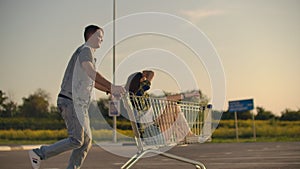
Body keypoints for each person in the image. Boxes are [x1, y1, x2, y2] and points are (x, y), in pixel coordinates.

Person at [28, 25, 125, 169]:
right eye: (99, 36)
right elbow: (91, 72)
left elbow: (91, 79)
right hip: (70, 101)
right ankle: (39, 153)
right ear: (90, 36)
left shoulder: (89, 53)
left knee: (86, 141)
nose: (102, 39)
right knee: (77, 140)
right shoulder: (85, 51)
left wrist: (108, 90)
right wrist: (112, 86)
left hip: (78, 104)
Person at [125, 70, 199, 144]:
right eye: (144, 80)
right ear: (140, 81)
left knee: (174, 113)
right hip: (153, 136)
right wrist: (145, 74)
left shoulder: (137, 99)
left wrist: (187, 95)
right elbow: (151, 74)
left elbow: (164, 99)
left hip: (150, 133)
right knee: (173, 106)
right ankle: (188, 135)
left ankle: (185, 137)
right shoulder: (138, 95)